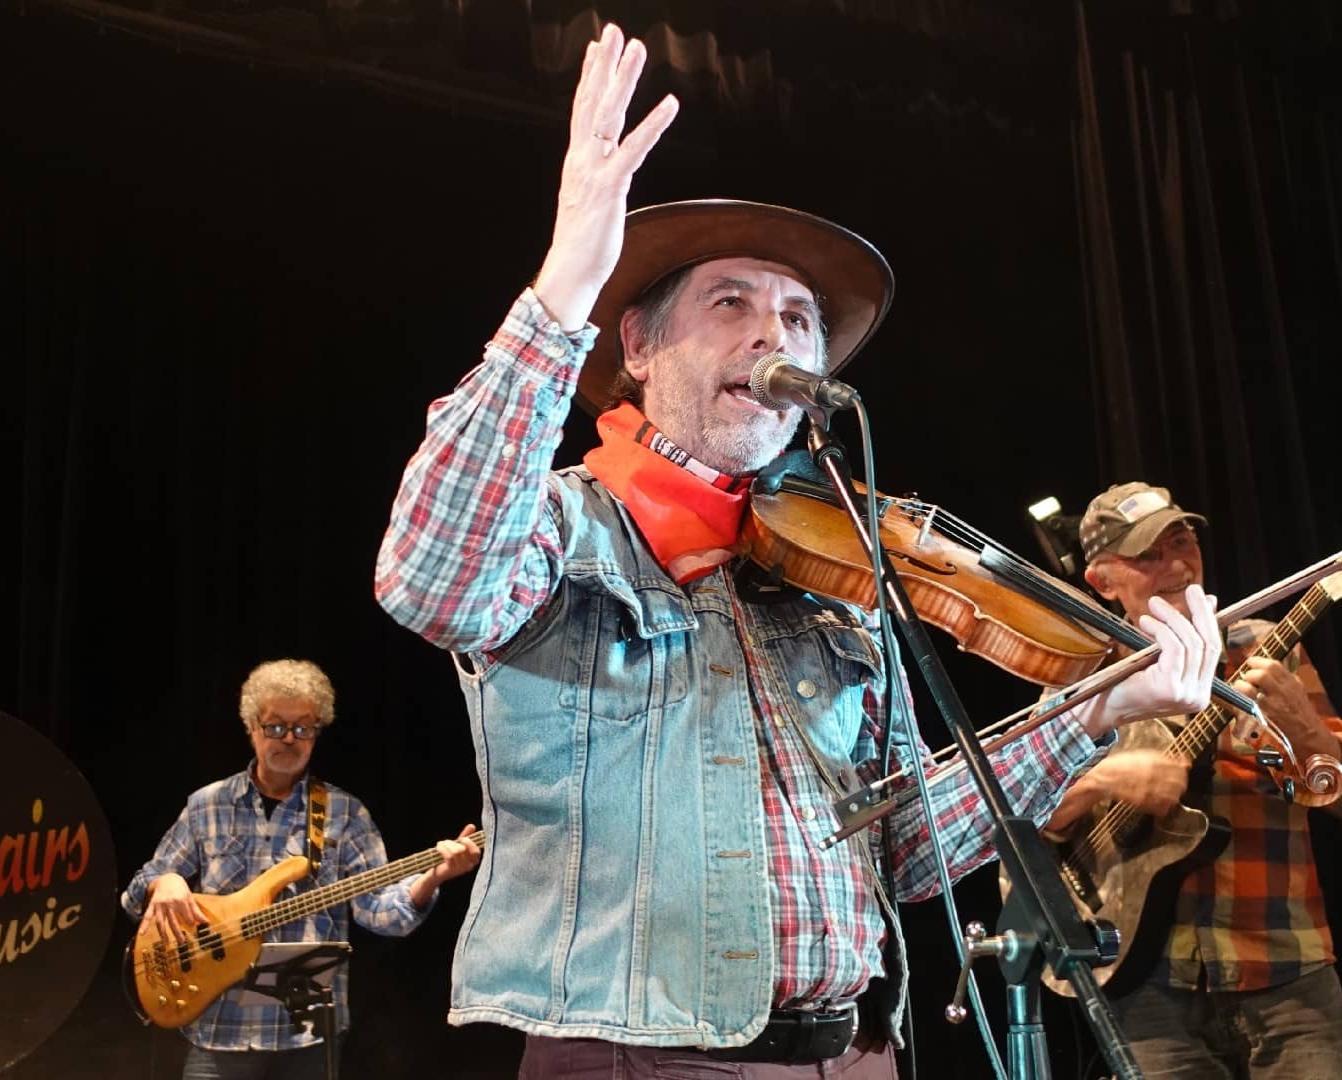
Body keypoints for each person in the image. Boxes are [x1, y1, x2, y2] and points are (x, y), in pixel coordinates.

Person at [374, 22, 1226, 1078]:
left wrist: (1096, 710)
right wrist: (562, 291)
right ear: (636, 346)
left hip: (852, 1056)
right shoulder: (567, 528)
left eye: (799, 316)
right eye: (729, 303)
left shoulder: (834, 572)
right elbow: (431, 575)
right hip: (644, 1060)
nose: (774, 337)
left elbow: (908, 845)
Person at [1044, 482, 1342, 1079]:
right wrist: (1104, 781)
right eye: (1149, 553)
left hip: (1286, 970)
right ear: (1103, 581)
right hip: (1145, 987)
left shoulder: (1264, 649)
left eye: (1183, 541)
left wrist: (1308, 729)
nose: (1176, 564)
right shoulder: (1078, 677)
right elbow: (1017, 826)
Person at [123, 659, 482, 1080]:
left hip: (307, 1034)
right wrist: (163, 883)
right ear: (252, 727)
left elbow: (381, 914)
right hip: (220, 1030)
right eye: (276, 727)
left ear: (317, 731)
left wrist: (434, 877)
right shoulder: (208, 805)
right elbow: (135, 897)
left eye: (303, 728)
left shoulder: (343, 812)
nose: (289, 739)